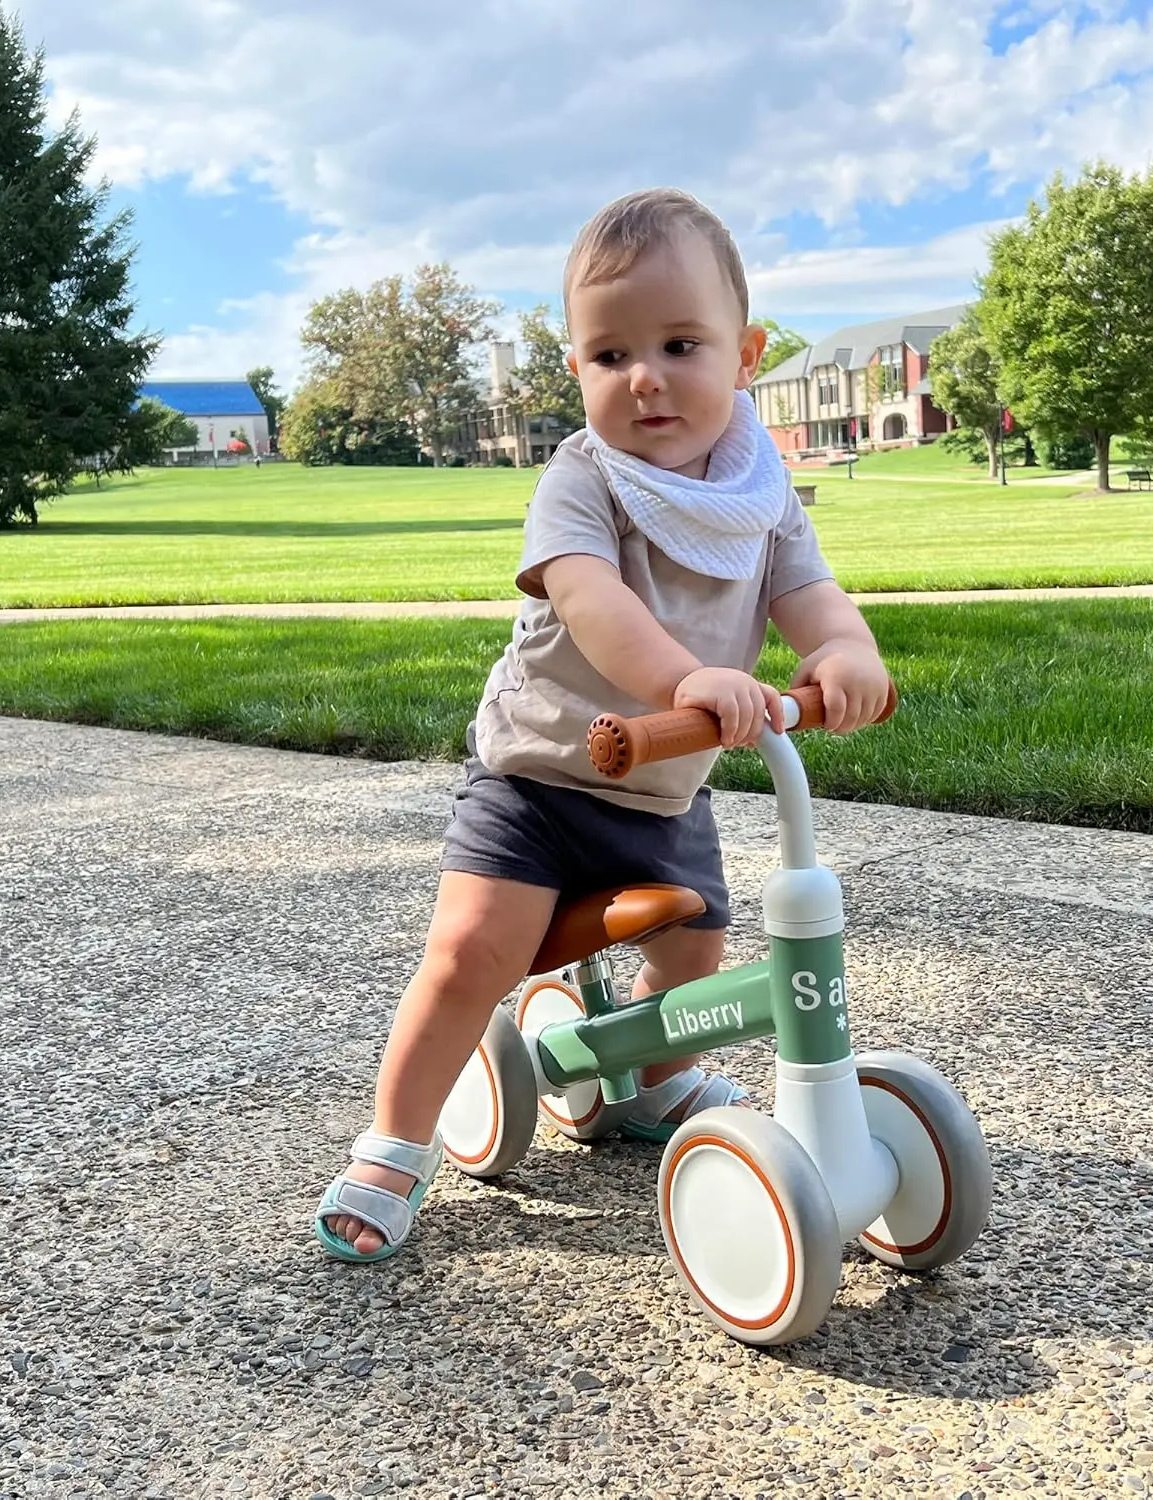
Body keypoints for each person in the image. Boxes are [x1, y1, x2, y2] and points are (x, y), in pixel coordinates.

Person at [316, 188, 891, 1261]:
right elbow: (589, 597)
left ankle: (646, 1083)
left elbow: (809, 591)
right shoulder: (584, 479)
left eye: (681, 343)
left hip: (662, 788)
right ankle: (394, 1141)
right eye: (609, 354)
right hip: (539, 778)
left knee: (698, 942)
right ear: (576, 371)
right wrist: (688, 678)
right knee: (471, 953)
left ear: (747, 351)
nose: (646, 377)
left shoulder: (762, 490)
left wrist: (844, 653)